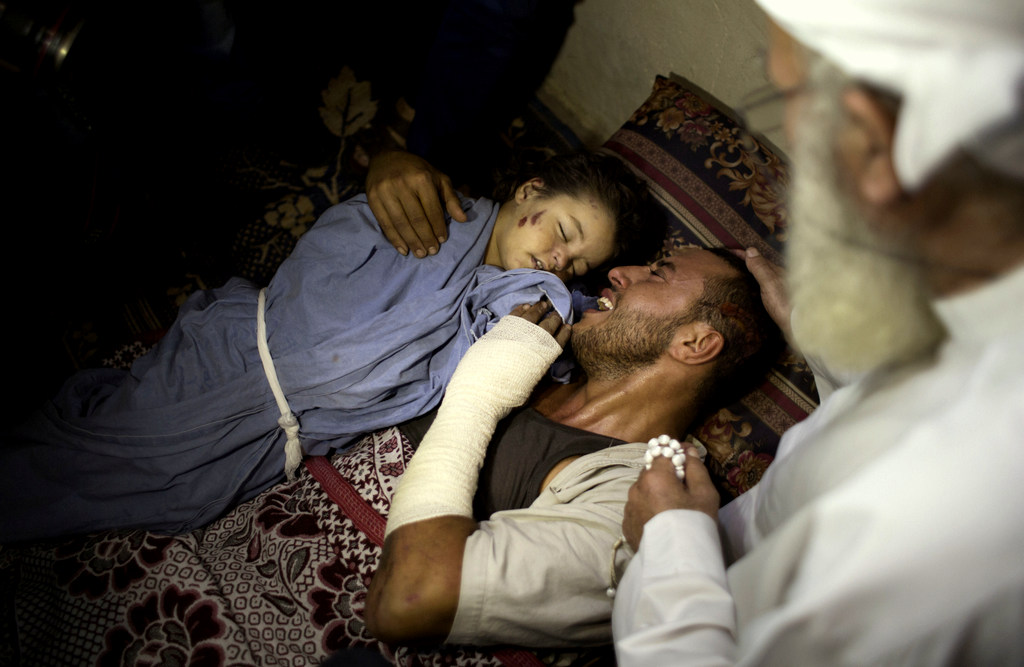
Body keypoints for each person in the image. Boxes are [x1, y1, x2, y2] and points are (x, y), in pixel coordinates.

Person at [612, 0, 1024, 664]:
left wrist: (669, 544)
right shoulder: (972, 313)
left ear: (872, 138)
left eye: (788, 95)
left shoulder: (958, 510)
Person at [0, 149, 658, 543]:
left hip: (280, 435)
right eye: (564, 231)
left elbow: (525, 340)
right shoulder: (434, 215)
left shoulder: (502, 308)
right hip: (238, 360)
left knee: (158, 501)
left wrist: (552, 293)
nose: (558, 257)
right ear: (528, 192)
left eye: (575, 262)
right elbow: (329, 259)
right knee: (82, 464)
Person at [361, 247, 781, 647]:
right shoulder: (516, 346)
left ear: (694, 344)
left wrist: (477, 394)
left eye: (657, 273)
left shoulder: (645, 506)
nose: (619, 272)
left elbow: (408, 601)